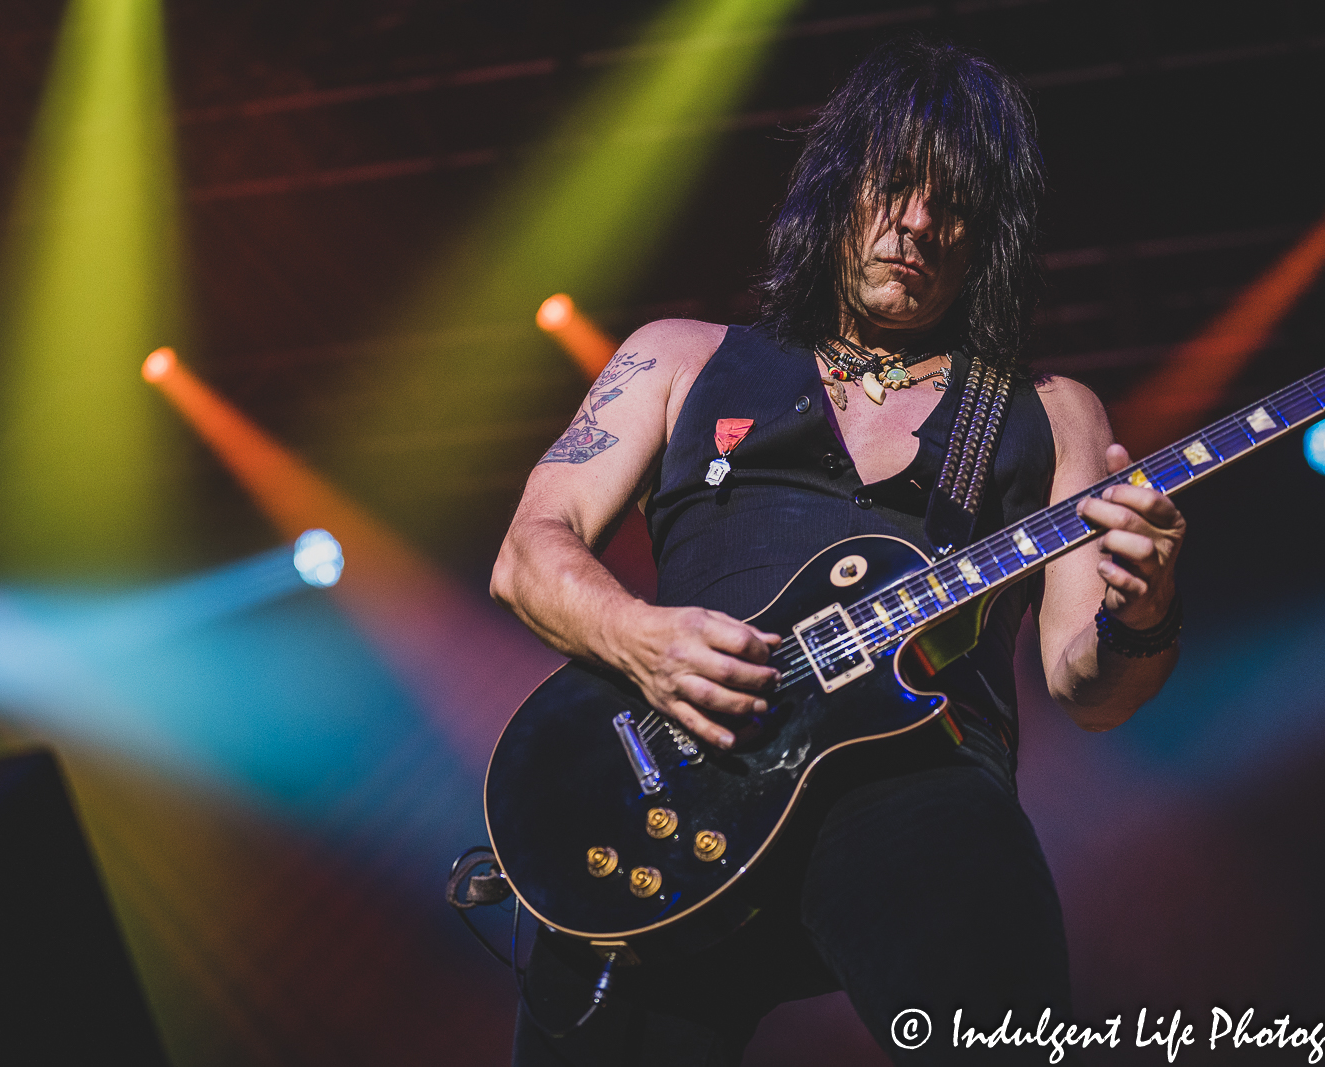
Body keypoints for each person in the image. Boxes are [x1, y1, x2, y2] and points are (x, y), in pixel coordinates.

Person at [489, 37, 1185, 1065]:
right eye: (893, 185)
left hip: (911, 776)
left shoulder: (1048, 412)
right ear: (836, 189)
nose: (915, 223)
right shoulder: (679, 356)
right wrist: (638, 635)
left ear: (984, 231)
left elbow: (1089, 687)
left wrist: (1145, 600)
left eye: (950, 202)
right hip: (670, 773)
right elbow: (527, 551)